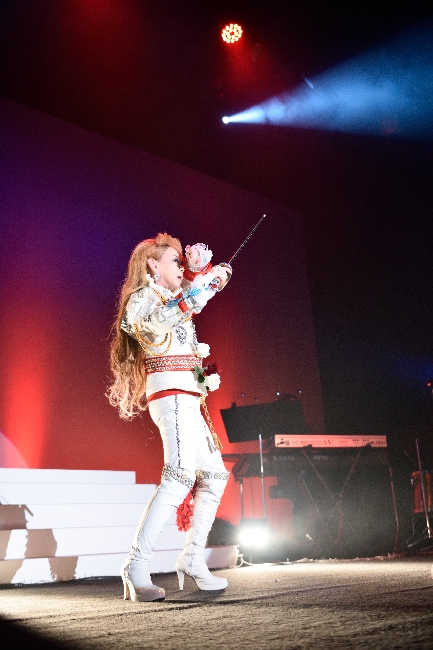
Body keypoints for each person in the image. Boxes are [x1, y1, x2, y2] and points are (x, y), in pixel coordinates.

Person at [108, 232, 232, 602]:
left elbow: (192, 296)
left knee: (214, 475)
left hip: (189, 395)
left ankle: (192, 558)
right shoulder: (142, 298)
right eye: (174, 261)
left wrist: (211, 276)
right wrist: (199, 286)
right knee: (179, 476)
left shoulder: (171, 295)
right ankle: (135, 565)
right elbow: (152, 325)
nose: (181, 266)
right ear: (152, 265)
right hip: (171, 394)